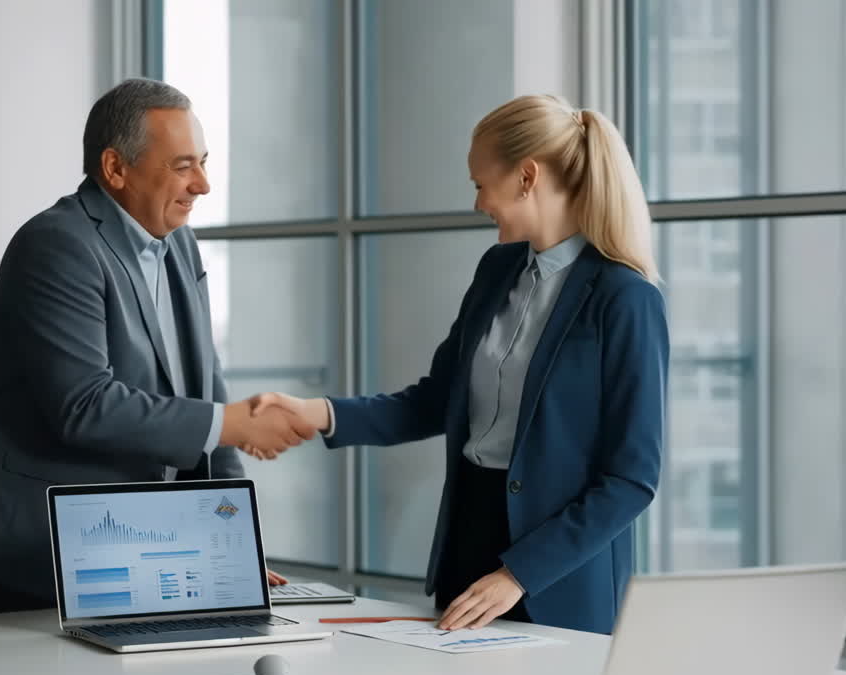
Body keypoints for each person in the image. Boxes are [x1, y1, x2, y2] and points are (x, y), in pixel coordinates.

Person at [250, 94, 669, 635]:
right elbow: (435, 401)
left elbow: (630, 480)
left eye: (480, 184)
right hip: (468, 548)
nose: (477, 204)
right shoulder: (497, 270)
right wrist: (316, 413)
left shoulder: (625, 298)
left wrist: (517, 575)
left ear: (526, 177)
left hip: (558, 577)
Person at [0, 78, 312, 617]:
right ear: (115, 169)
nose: (203, 185)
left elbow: (205, 386)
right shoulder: (57, 245)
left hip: (122, 551)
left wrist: (233, 543)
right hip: (16, 550)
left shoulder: (179, 241)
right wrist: (230, 422)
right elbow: (83, 405)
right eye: (182, 166)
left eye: (203, 162)